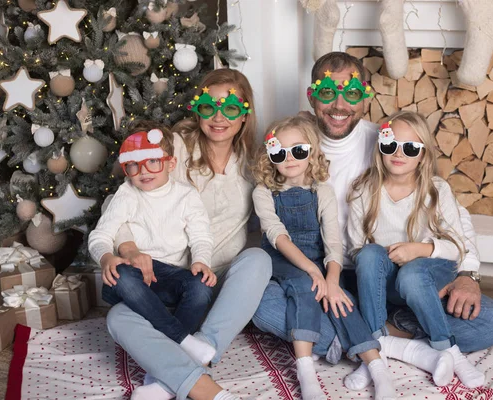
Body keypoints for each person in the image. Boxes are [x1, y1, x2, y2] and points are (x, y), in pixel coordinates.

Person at [252, 51, 493, 389]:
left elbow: (451, 213)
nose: (340, 104)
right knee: (261, 306)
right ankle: (393, 341)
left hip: (396, 273)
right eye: (328, 92)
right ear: (312, 95)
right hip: (328, 273)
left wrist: (467, 274)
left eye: (352, 93)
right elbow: (270, 204)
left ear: (366, 97)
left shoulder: (387, 141)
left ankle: (362, 335)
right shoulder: (292, 143)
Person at [105, 69, 272, 400]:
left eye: (230, 108)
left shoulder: (254, 164)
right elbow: (118, 201)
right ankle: (198, 382)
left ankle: (194, 353)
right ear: (199, 109)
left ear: (245, 114)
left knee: (258, 259)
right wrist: (128, 248)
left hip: (218, 278)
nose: (219, 117)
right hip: (169, 279)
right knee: (117, 317)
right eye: (209, 106)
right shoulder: (175, 148)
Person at [252, 116, 395, 400]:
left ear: (312, 152)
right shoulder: (263, 192)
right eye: (279, 153)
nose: (289, 159)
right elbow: (277, 236)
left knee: (340, 301)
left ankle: (378, 369)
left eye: (298, 151)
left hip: (318, 257)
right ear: (270, 158)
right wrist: (313, 273)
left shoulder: (323, 191)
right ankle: (306, 371)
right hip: (282, 258)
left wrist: (331, 279)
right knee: (306, 288)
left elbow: (332, 241)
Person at [348, 112, 485, 388]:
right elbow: (356, 249)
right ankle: (375, 351)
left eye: (410, 148)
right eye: (390, 145)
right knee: (369, 254)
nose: (399, 153)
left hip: (429, 275)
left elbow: (457, 247)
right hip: (386, 283)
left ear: (422, 155)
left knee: (412, 274)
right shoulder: (364, 190)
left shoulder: (436, 190)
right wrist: (382, 256)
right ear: (380, 148)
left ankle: (450, 351)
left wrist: (419, 250)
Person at [89, 123, 217, 366]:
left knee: (201, 286)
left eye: (153, 162)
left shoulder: (186, 195)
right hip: (135, 279)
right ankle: (183, 342)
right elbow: (100, 235)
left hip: (170, 275)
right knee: (122, 275)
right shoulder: (126, 194)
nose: (143, 171)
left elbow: (201, 236)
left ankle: (165, 352)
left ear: (170, 164)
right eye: (134, 165)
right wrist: (106, 258)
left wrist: (201, 261)